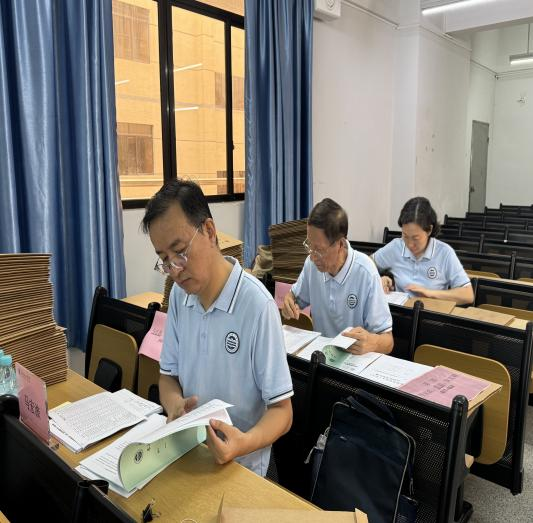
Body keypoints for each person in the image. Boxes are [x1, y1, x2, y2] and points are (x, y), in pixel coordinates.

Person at [141, 179, 293, 477]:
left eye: (180, 251)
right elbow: (168, 377)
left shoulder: (256, 305)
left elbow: (282, 412)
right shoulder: (179, 297)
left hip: (245, 467)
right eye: (164, 260)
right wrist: (174, 405)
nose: (175, 269)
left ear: (209, 231)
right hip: (194, 454)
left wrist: (243, 443)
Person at [282, 198, 393, 355]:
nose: (312, 256)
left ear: (340, 244)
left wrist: (372, 343)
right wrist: (289, 303)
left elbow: (388, 341)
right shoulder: (311, 265)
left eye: (319, 250)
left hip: (354, 359)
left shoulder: (366, 272)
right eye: (309, 246)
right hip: (322, 357)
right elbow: (294, 298)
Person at [373, 196, 474, 305]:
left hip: (430, 313)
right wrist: (380, 279)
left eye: (416, 238)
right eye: (405, 236)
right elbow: (367, 265)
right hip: (399, 312)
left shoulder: (444, 253)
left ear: (429, 230)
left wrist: (430, 293)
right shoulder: (396, 246)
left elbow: (468, 295)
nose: (410, 244)